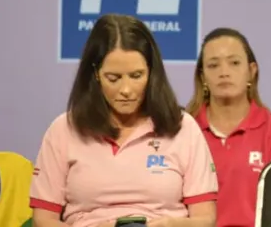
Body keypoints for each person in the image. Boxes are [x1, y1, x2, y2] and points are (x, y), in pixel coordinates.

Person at [29, 14, 218, 226]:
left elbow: (205, 220)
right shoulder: (63, 130)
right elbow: (43, 220)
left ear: (151, 73)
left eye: (136, 76)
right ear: (96, 74)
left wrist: (168, 225)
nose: (126, 90)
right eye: (114, 78)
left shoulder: (183, 127)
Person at [185, 27, 271, 227]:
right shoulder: (184, 130)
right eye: (213, 65)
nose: (224, 72)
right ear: (203, 76)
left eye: (234, 63)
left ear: (251, 71)